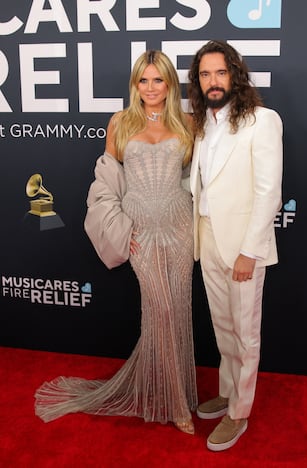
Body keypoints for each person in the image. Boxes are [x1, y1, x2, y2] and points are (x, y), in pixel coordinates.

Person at [34, 50, 197, 435]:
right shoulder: (121, 121)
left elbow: (198, 179)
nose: (151, 88)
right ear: (135, 84)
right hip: (140, 228)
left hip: (178, 227)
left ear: (170, 83)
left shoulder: (188, 121)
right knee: (160, 312)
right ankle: (175, 405)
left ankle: (175, 393)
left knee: (179, 311)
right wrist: (121, 227)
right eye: (144, 80)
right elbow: (106, 181)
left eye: (159, 80)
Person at [187, 40, 283, 451]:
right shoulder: (202, 123)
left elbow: (268, 193)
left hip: (243, 244)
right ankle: (228, 392)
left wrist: (251, 251)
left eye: (220, 72)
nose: (213, 81)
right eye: (205, 74)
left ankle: (239, 413)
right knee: (223, 327)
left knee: (246, 333)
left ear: (235, 75)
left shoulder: (262, 121)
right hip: (206, 236)